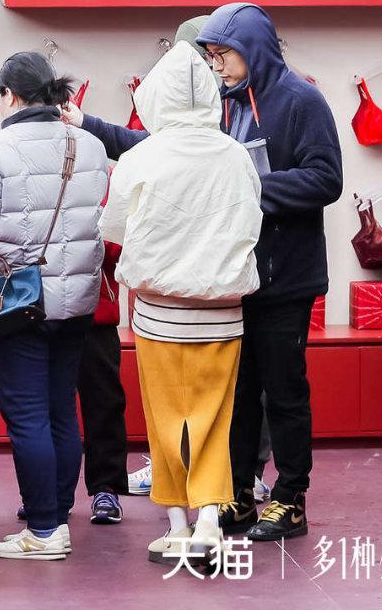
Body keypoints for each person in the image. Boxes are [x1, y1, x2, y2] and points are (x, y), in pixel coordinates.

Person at [100, 41, 262, 562]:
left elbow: (113, 226)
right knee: (215, 419)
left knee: (164, 418)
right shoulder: (235, 155)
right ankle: (210, 521)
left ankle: (175, 526)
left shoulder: (140, 156)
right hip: (223, 311)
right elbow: (253, 219)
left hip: (157, 311)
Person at [0, 52, 109, 562]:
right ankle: (57, 515)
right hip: (77, 298)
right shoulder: (88, 144)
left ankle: (43, 531)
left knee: (26, 416)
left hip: (17, 298)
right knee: (62, 408)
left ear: (11, 95)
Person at [196, 3, 342, 541]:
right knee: (238, 393)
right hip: (234, 275)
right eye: (211, 56)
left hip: (287, 277)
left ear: (253, 49)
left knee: (284, 391)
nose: (217, 66)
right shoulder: (221, 102)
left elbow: (326, 179)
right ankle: (238, 495)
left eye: (224, 55)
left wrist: (249, 187)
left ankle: (290, 498)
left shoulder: (303, 99)